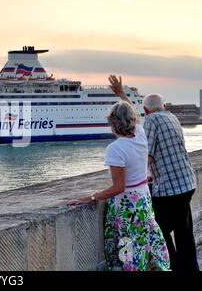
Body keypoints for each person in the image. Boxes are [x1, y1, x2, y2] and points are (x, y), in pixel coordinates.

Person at [68, 75, 170, 271]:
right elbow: (135, 114)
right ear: (131, 120)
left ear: (113, 123)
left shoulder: (116, 148)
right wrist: (122, 94)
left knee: (127, 246)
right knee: (144, 242)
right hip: (143, 201)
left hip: (126, 208)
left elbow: (118, 187)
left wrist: (91, 197)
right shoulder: (140, 136)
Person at [139, 93, 199, 272]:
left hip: (169, 188)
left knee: (159, 230)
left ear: (145, 110)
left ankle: (171, 266)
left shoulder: (150, 121)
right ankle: (189, 267)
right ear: (163, 106)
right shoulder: (172, 117)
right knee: (184, 233)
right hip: (187, 182)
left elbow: (147, 156)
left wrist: (137, 176)